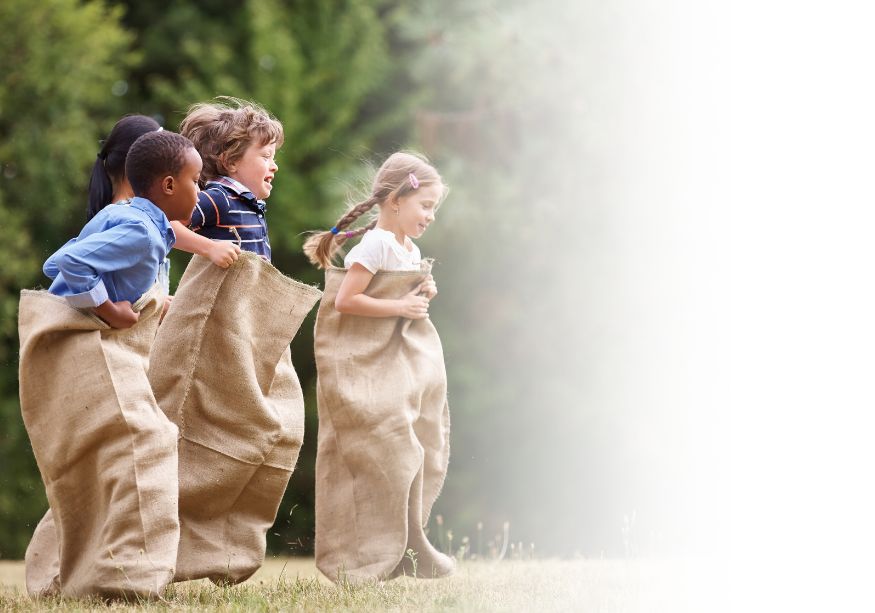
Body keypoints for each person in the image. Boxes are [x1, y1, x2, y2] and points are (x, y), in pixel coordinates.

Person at [20, 130, 201, 598]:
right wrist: (108, 307)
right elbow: (63, 263)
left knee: (110, 457)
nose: (200, 192)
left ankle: (80, 573)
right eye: (195, 180)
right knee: (150, 439)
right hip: (86, 348)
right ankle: (128, 578)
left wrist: (154, 304)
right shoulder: (140, 230)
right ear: (166, 186)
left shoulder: (133, 221)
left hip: (93, 351)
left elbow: (120, 276)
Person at [303, 151, 455, 582]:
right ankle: (368, 555)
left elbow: (406, 302)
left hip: (401, 365)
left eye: (434, 209)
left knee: (420, 448)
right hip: (370, 366)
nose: (430, 216)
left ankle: (408, 544)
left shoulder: (410, 248)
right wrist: (399, 304)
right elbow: (345, 301)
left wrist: (422, 290)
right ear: (395, 201)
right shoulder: (376, 244)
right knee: (389, 451)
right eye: (425, 206)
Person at [178, 97, 282, 259]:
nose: (274, 166)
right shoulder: (219, 198)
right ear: (231, 162)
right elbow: (165, 223)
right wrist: (210, 248)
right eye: (266, 156)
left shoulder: (249, 205)